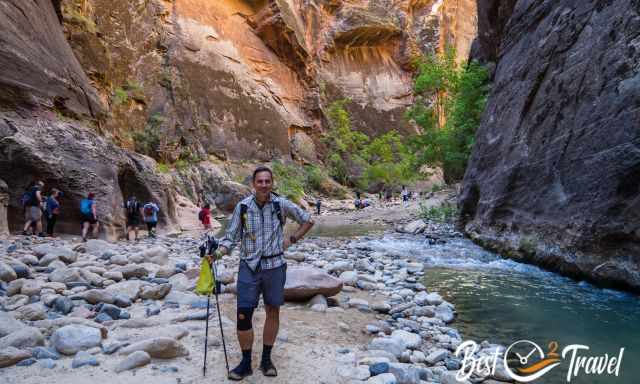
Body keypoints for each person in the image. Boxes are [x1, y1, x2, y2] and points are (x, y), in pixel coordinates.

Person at [211, 166, 314, 380]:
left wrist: (291, 240)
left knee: (272, 311)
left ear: (272, 183)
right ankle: (246, 363)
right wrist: (217, 254)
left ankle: (266, 360)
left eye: (268, 181)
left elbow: (308, 220)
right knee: (243, 315)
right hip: (249, 267)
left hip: (275, 266)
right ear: (253, 184)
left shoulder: (281, 204)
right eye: (260, 181)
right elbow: (230, 238)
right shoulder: (243, 207)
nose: (264, 185)